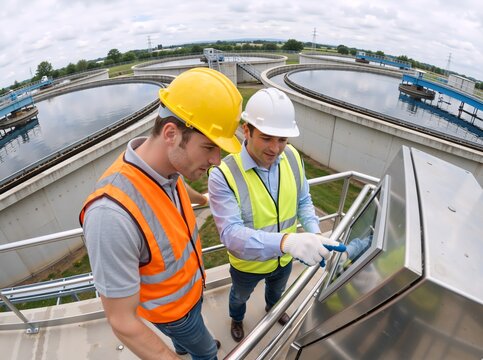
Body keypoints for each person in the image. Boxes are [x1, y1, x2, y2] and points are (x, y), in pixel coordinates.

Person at [79, 68, 242, 360]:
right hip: (173, 313)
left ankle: (184, 345)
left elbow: (176, 186)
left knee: (188, 340)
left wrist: (202, 198)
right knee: (205, 350)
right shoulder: (110, 215)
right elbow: (122, 321)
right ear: (171, 133)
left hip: (190, 296)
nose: (216, 161)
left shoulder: (165, 165)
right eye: (209, 147)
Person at [208, 87, 345, 342]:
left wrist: (314, 235)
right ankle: (236, 318)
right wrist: (287, 242)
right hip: (248, 266)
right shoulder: (223, 174)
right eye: (267, 138)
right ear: (246, 130)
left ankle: (273, 308)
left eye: (282, 140)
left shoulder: (292, 157)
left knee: (277, 292)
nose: (276, 148)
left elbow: (303, 200)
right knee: (239, 297)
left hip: (283, 261)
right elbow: (230, 234)